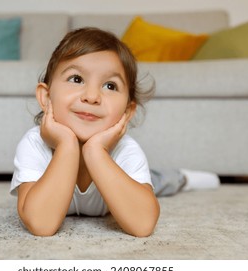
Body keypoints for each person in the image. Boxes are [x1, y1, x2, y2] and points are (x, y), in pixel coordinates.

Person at [10, 27, 160, 237]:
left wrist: (96, 151)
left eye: (109, 85)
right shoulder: (34, 144)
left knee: (164, 181)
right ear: (46, 97)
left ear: (127, 111)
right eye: (77, 79)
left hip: (137, 176)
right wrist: (66, 145)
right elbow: (41, 224)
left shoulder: (126, 150)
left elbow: (143, 224)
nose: (91, 96)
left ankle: (184, 178)